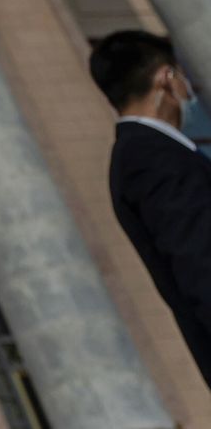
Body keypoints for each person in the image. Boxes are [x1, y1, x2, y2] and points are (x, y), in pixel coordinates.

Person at [90, 29, 211, 387]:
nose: (189, 90)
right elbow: (201, 264)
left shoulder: (149, 154)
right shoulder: (151, 158)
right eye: (182, 76)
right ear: (166, 77)